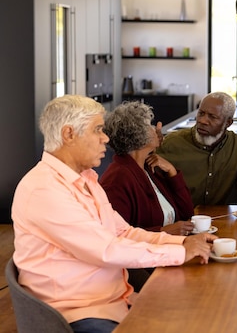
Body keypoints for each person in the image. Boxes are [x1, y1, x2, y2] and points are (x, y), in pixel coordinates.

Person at [11, 95, 216, 333]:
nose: (105, 138)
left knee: (199, 314)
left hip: (111, 302)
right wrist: (181, 251)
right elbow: (106, 250)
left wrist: (183, 242)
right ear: (68, 134)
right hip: (75, 316)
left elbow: (123, 232)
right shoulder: (44, 190)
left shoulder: (86, 180)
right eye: (97, 130)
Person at [157, 91, 237, 217]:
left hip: (215, 220)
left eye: (212, 117)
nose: (203, 121)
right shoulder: (172, 143)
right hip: (176, 219)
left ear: (228, 123)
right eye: (201, 113)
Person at [100, 101, 194, 235]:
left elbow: (187, 213)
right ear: (138, 134)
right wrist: (162, 231)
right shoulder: (117, 179)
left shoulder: (148, 167)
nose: (156, 129)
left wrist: (172, 172)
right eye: (150, 125)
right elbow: (115, 236)